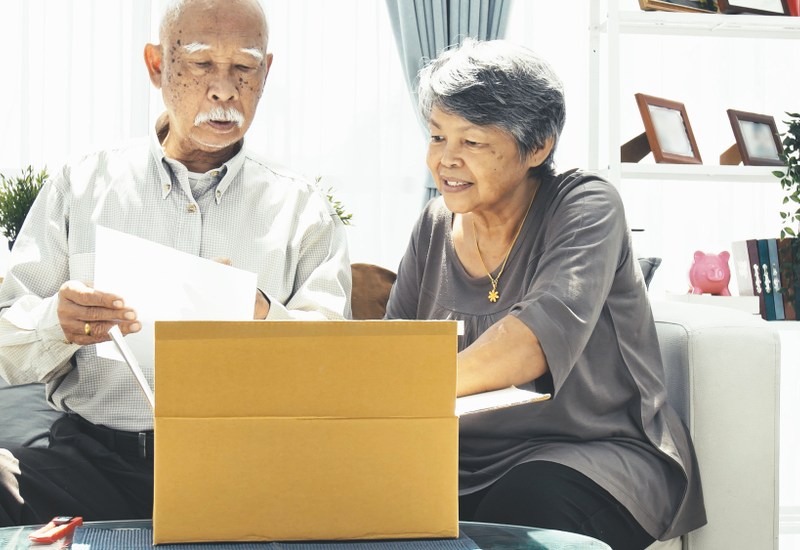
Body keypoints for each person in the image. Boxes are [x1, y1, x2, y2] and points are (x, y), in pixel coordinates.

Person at [0, 0, 350, 526]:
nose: (224, 90)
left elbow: (342, 371)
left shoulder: (302, 209)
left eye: (244, 68)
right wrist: (57, 321)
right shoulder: (81, 186)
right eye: (203, 63)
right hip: (94, 461)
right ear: (157, 65)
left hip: (248, 466)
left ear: (266, 72)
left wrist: (262, 317)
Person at [385, 39, 705, 550]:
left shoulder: (586, 205)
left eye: (471, 142)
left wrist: (404, 390)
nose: (445, 160)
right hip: (455, 461)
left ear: (537, 147)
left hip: (588, 455)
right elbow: (394, 349)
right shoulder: (433, 224)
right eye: (437, 136)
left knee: (524, 511)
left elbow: (531, 342)